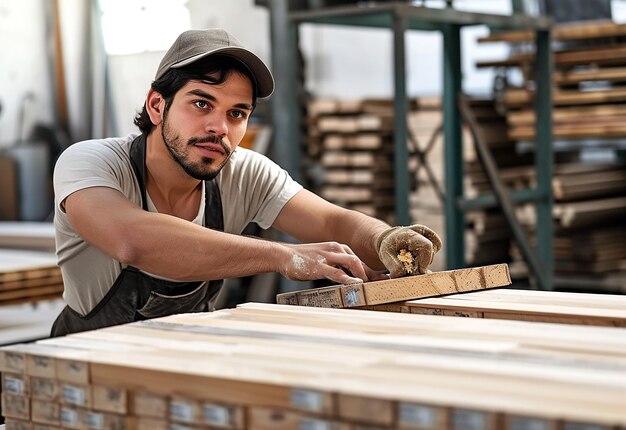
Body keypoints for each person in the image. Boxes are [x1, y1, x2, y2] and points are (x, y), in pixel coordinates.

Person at [50, 28, 441, 337]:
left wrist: (385, 239)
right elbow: (131, 240)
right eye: (201, 104)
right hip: (83, 371)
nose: (219, 127)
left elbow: (332, 222)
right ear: (157, 105)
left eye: (236, 113)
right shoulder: (92, 163)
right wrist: (286, 256)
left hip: (182, 364)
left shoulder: (244, 172)